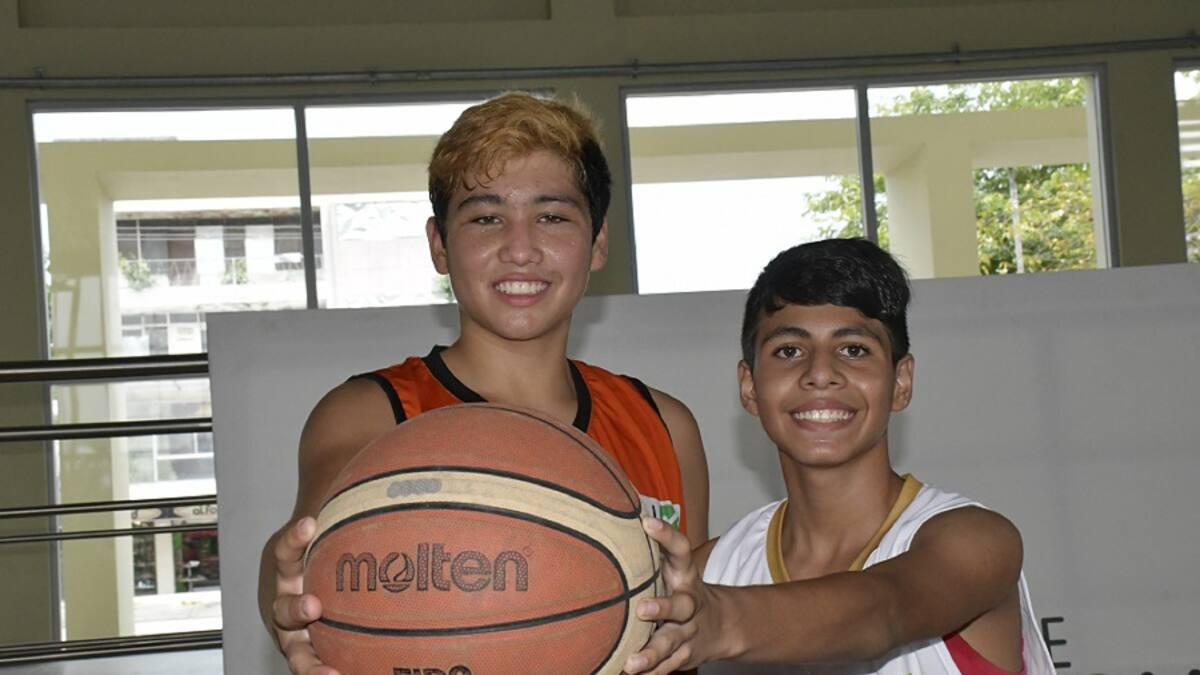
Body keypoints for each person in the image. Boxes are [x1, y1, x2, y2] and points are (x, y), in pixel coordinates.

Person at [259, 92, 710, 675]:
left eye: (552, 217)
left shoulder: (665, 424)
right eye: (485, 218)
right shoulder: (371, 414)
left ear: (598, 241)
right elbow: (308, 554)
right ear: (439, 245)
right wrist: (283, 603)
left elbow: (693, 622)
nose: (520, 249)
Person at [625, 238, 1054, 674]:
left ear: (901, 382)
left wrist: (722, 620)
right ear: (750, 386)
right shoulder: (710, 575)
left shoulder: (977, 543)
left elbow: (884, 611)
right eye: (789, 351)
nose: (820, 373)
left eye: (853, 349)